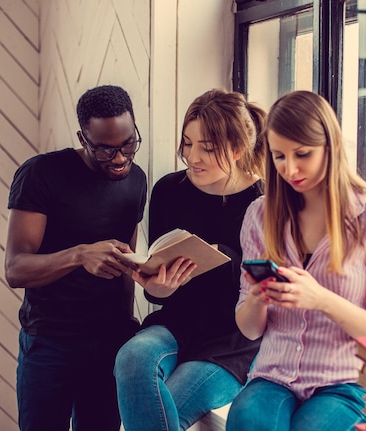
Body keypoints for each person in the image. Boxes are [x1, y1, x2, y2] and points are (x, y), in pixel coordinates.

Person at [226, 90, 366, 431]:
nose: (290, 168)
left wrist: (322, 299)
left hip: (345, 381)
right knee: (248, 421)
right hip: (273, 375)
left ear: (332, 146)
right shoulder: (259, 214)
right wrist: (256, 299)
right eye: (279, 156)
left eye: (303, 154)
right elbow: (249, 328)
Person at [114, 89, 266, 431]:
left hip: (233, 341)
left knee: (168, 405)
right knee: (131, 357)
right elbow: (158, 290)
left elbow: (267, 291)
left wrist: (224, 257)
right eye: (187, 143)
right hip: (177, 324)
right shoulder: (169, 190)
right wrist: (159, 288)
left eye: (207, 148)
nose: (192, 157)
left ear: (238, 149)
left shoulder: (264, 202)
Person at [4, 85, 147, 431]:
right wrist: (80, 255)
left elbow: (125, 264)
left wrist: (127, 322)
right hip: (50, 343)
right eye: (105, 150)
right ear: (83, 138)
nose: (119, 158)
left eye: (128, 144)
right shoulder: (41, 174)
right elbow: (15, 268)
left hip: (110, 341)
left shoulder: (136, 181)